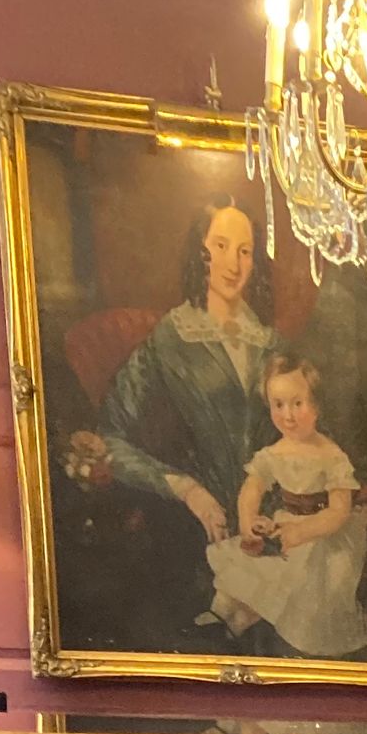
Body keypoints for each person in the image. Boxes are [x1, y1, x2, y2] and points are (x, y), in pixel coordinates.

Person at [93, 200, 279, 569]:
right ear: (200, 252)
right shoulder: (169, 340)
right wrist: (185, 488)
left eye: (244, 251)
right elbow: (110, 439)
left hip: (273, 532)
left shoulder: (271, 343)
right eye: (221, 246)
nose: (233, 264)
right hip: (193, 536)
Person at [203, 356, 367, 657]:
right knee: (249, 564)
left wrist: (302, 532)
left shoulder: (331, 456)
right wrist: (249, 522)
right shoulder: (273, 453)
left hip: (329, 534)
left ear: (316, 406)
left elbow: (338, 512)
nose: (288, 416)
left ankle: (237, 626)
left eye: (297, 404)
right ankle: (219, 620)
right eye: (278, 405)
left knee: (295, 574)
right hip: (288, 524)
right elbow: (251, 490)